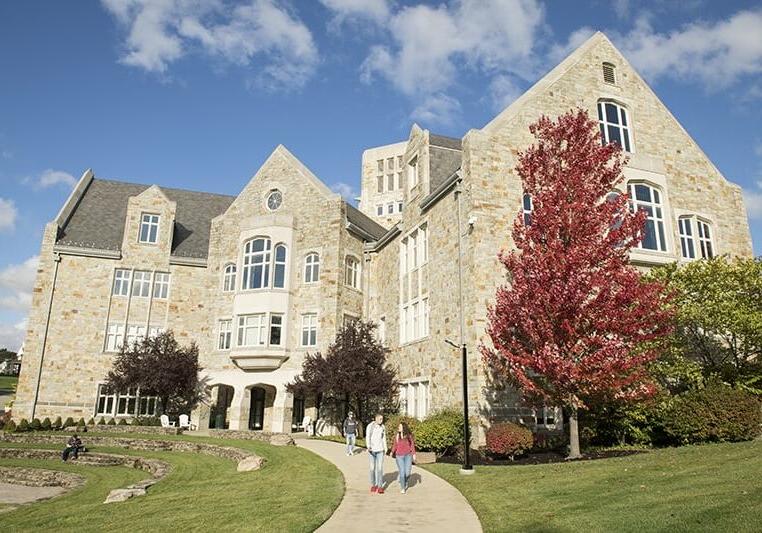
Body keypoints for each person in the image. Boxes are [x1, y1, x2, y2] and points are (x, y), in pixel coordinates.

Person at [391, 422, 416, 494]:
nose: (398, 428)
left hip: (408, 456)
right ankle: (403, 487)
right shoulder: (397, 436)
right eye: (398, 427)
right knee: (402, 472)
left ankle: (405, 481)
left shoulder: (408, 436)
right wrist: (392, 452)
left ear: (404, 428)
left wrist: (414, 454)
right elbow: (395, 445)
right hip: (399, 456)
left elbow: (412, 445)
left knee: (407, 473)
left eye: (400, 426)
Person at [365, 413, 387, 494]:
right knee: (372, 468)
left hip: (380, 450)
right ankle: (373, 485)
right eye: (380, 419)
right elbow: (368, 436)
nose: (382, 420)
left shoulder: (383, 427)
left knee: (380, 468)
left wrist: (385, 447)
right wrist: (368, 446)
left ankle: (380, 486)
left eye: (382, 419)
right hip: (372, 450)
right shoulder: (370, 426)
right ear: (376, 419)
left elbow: (383, 437)